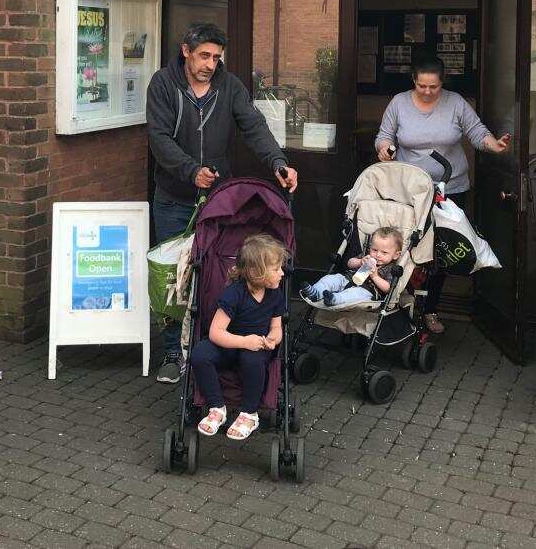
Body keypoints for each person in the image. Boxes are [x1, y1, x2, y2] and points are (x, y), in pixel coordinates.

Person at [147, 22, 298, 383]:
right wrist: (189, 171)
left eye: (216, 57)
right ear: (186, 50)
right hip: (174, 198)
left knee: (219, 272)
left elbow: (254, 127)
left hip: (218, 202)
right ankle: (172, 350)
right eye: (203, 56)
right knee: (175, 278)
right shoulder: (163, 84)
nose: (210, 64)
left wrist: (278, 161)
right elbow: (159, 137)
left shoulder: (230, 87)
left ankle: (215, 345)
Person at [375, 56, 510, 334]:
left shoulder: (456, 102)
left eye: (433, 87)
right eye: (422, 85)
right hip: (409, 190)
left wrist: (493, 145)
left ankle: (431, 310)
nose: (427, 91)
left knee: (440, 254)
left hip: (450, 188)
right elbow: (384, 136)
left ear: (442, 82)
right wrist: (385, 148)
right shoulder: (399, 103)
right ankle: (401, 304)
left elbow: (476, 132)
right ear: (414, 80)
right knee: (409, 249)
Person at [190, 233, 287, 441]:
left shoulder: (275, 295)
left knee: (251, 358)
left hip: (257, 349)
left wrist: (272, 338)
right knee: (199, 353)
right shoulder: (234, 293)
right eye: (276, 268)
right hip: (230, 344)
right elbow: (216, 332)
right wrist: (244, 341)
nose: (282, 273)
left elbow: (277, 327)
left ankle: (249, 413)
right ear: (255, 272)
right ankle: (217, 407)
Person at [299, 226, 402, 307]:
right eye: (374, 250)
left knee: (354, 294)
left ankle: (334, 299)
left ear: (396, 255)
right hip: (347, 280)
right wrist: (359, 262)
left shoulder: (391, 268)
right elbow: (349, 263)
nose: (378, 255)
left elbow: (388, 288)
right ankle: (316, 292)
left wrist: (375, 276)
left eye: (384, 252)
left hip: (366, 290)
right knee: (330, 279)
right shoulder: (366, 257)